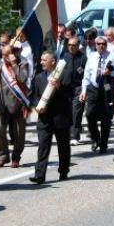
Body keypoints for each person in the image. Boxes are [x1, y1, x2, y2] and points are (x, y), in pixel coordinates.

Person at [29, 52, 72, 184]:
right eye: (41, 60)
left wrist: (59, 86)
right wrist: (37, 106)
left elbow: (70, 95)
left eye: (44, 60)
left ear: (53, 62)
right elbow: (34, 96)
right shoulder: (38, 78)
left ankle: (63, 171)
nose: (41, 62)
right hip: (44, 118)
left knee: (63, 146)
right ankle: (39, 175)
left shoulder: (64, 75)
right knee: (43, 146)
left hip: (60, 117)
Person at [0, 43, 30, 168]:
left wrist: (13, 65)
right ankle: (3, 155)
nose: (4, 57)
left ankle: (16, 157)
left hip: (18, 103)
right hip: (3, 103)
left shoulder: (22, 64)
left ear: (13, 54)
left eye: (7, 55)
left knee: (19, 132)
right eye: (3, 55)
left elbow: (23, 79)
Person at [81, 36, 114, 153]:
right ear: (95, 45)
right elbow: (86, 75)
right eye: (99, 44)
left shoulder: (112, 56)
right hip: (93, 88)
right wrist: (84, 90)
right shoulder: (92, 56)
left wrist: (111, 72)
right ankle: (96, 138)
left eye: (104, 44)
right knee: (89, 114)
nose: (101, 46)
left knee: (106, 118)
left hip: (106, 89)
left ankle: (104, 144)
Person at [62, 37, 87, 145]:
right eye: (69, 45)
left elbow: (87, 74)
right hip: (66, 88)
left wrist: (84, 90)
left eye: (73, 45)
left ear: (78, 46)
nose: (71, 47)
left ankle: (74, 136)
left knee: (76, 112)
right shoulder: (65, 56)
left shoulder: (83, 58)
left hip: (79, 87)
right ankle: (67, 133)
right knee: (67, 112)